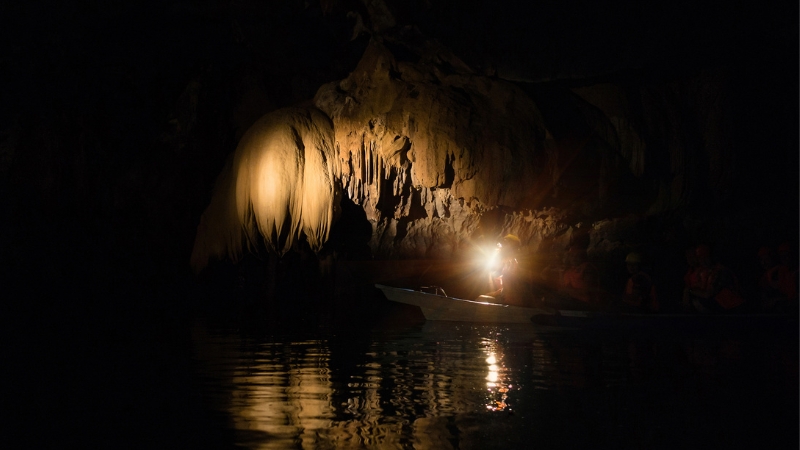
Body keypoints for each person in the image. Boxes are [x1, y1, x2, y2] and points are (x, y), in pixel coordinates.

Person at [686, 244, 745, 313]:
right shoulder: (706, 272)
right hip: (723, 309)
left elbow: (708, 294)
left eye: (705, 256)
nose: (703, 260)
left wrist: (689, 291)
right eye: (700, 257)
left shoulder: (720, 271)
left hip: (734, 309)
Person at [557, 245, 601, 310]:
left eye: (577, 256)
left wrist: (567, 290)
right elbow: (563, 286)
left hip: (585, 305)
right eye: (572, 256)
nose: (574, 258)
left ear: (583, 256)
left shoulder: (587, 268)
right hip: (572, 301)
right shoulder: (568, 271)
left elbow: (588, 291)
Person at [483, 234, 522, 304]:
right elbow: (506, 287)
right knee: (482, 298)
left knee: (482, 300)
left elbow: (514, 289)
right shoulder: (509, 263)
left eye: (501, 247)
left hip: (512, 300)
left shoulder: (516, 264)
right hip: (507, 297)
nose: (498, 250)